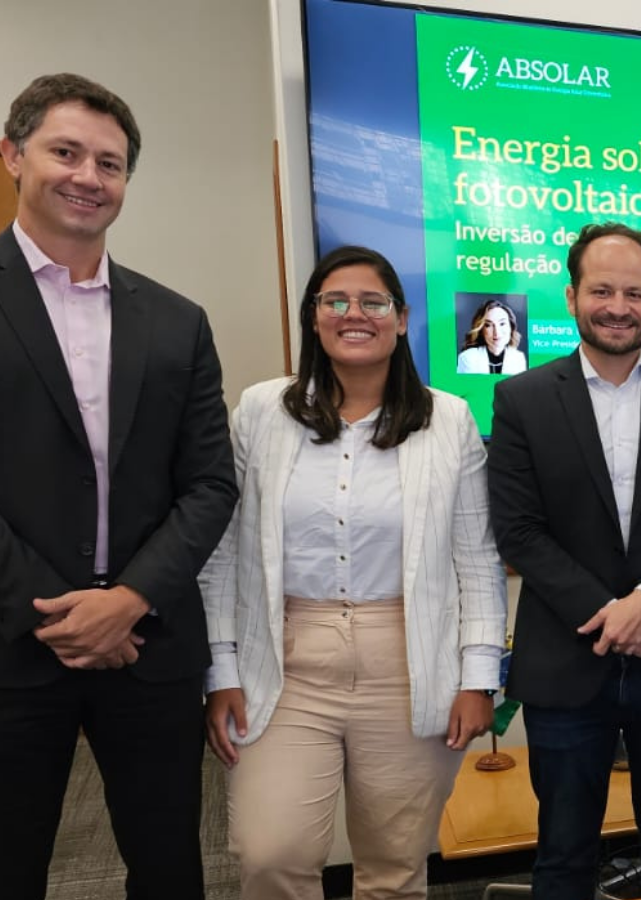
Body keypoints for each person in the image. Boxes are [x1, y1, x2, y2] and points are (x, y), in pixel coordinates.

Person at [0, 73, 238, 899]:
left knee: (171, 870)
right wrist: (61, 614)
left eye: (110, 163)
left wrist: (128, 600)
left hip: (148, 645)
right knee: (2, 874)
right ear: (12, 155)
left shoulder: (177, 319)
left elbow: (210, 484)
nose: (87, 176)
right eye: (65, 152)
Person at [200, 245, 508, 900]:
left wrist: (479, 677)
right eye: (335, 301)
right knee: (270, 853)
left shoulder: (448, 419)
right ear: (314, 317)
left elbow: (477, 559)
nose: (354, 314)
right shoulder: (261, 411)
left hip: (409, 663)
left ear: (401, 318)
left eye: (373, 302)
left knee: (395, 866)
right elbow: (222, 550)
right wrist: (219, 670)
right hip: (285, 664)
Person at [487, 222, 641, 899]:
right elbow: (519, 531)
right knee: (564, 855)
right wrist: (613, 615)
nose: (618, 307)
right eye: (602, 291)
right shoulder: (522, 399)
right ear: (571, 296)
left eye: (635, 293)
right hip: (567, 661)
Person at [457, 298, 528, 374]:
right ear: (481, 330)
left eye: (502, 324)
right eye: (488, 325)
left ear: (511, 327)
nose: (497, 332)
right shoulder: (467, 358)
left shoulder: (519, 358)